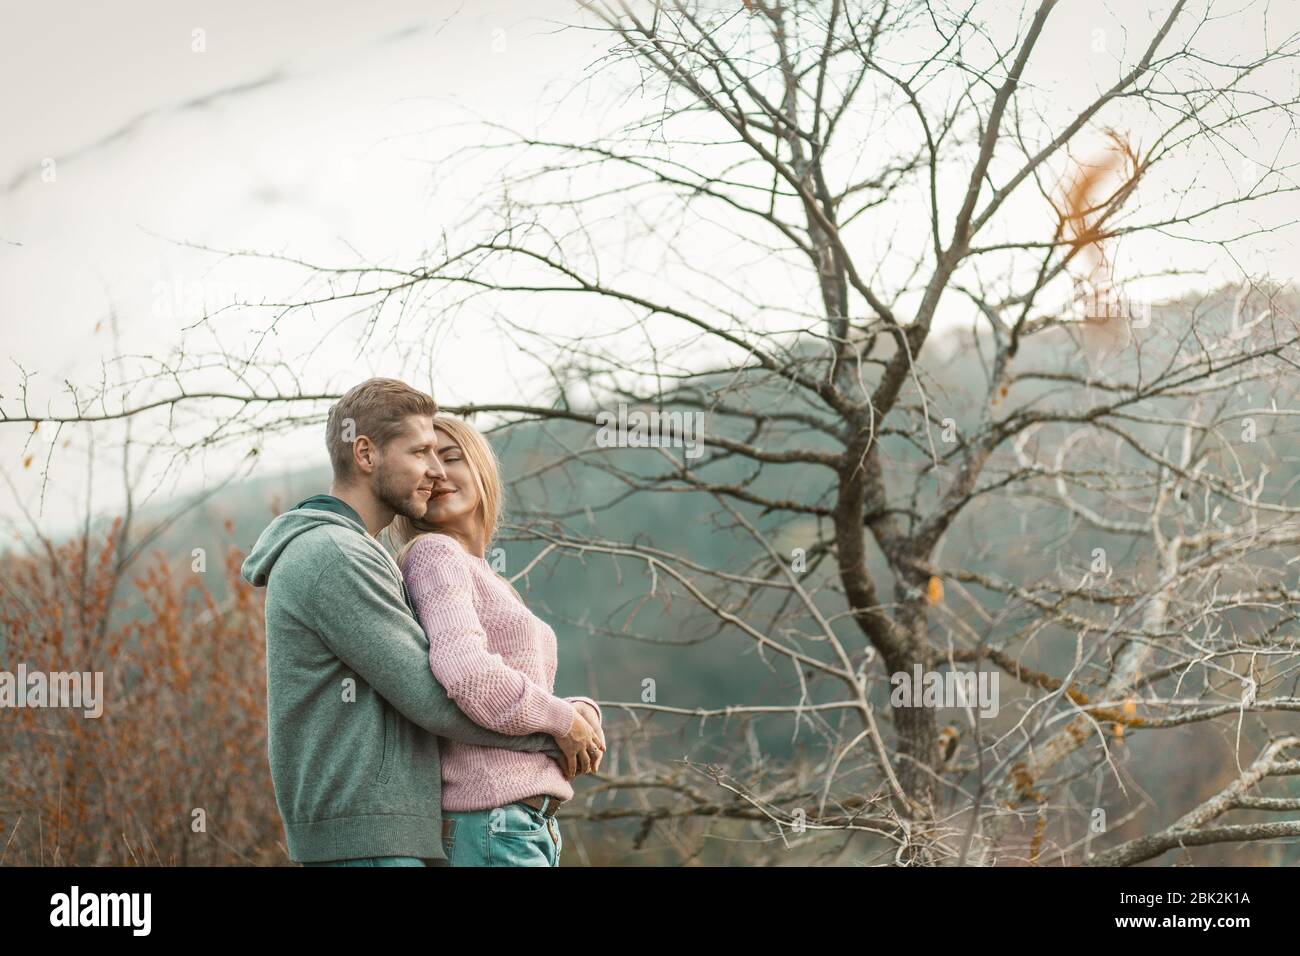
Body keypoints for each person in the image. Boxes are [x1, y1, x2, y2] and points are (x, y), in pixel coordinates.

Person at [239, 377, 603, 866]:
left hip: (392, 835)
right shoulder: (335, 555)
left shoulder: (358, 553)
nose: (433, 472)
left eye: (444, 454)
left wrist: (568, 718)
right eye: (422, 453)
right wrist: (560, 729)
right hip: (367, 839)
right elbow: (440, 697)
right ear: (366, 454)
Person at [389, 413, 606, 866]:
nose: (439, 472)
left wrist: (578, 709)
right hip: (493, 822)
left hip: (522, 825)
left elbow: (513, 684)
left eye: (451, 457)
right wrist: (564, 720)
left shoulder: (481, 572)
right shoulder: (436, 554)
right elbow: (470, 679)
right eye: (424, 463)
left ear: (481, 468)